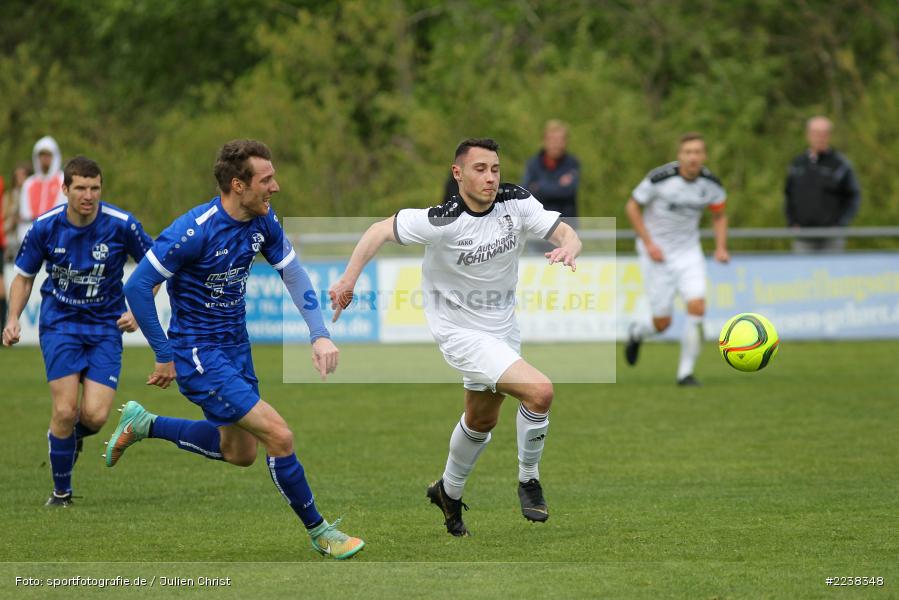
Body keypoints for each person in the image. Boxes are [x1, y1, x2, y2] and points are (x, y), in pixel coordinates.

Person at [109, 139, 364, 560]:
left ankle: (144, 424)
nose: (275, 187)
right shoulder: (193, 230)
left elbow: (294, 273)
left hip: (236, 348)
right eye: (266, 180)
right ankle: (322, 532)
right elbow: (137, 286)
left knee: (240, 452)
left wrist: (318, 333)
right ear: (237, 185)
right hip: (199, 353)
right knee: (279, 436)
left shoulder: (262, 221)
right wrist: (164, 353)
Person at [329, 138, 582, 536]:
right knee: (540, 392)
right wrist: (347, 279)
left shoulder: (515, 202)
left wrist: (570, 246)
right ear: (458, 173)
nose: (490, 177)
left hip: (503, 329)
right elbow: (378, 230)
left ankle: (448, 491)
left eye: (495, 169)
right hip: (460, 331)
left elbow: (565, 231)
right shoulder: (441, 218)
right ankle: (529, 479)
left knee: (481, 419)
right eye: (480, 169)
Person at [2, 156, 153, 507]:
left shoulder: (121, 225)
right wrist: (12, 319)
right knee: (66, 410)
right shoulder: (44, 227)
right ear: (65, 188)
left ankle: (66, 438)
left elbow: (154, 268)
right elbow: (23, 277)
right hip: (61, 326)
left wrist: (136, 310)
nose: (88, 195)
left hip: (105, 327)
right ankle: (61, 494)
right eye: (81, 188)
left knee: (96, 417)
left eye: (95, 188)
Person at [623, 132, 729, 386]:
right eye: (688, 152)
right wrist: (649, 243)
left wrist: (721, 247)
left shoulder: (711, 184)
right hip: (657, 254)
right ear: (679, 156)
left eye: (697, 152)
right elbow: (632, 207)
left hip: (689, 252)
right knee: (663, 323)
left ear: (704, 156)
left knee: (697, 306)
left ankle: (685, 373)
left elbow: (719, 215)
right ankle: (637, 332)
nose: (693, 157)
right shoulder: (660, 178)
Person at [784, 116, 861, 253]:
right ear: (808, 135)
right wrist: (792, 222)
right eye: (815, 133)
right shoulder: (798, 163)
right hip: (803, 237)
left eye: (823, 133)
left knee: (833, 274)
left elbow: (853, 197)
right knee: (802, 274)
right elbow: (788, 195)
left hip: (831, 238)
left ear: (829, 136)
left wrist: (840, 224)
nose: (819, 138)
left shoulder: (840, 164)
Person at [521, 119, 580, 224]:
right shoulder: (533, 164)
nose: (556, 144)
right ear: (545, 141)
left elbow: (567, 191)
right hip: (537, 226)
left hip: (566, 226)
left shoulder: (572, 163)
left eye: (560, 139)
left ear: (566, 142)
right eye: (552, 139)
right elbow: (526, 194)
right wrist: (558, 185)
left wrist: (538, 187)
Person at [19, 136, 67, 244]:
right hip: (32, 239)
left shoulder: (62, 180)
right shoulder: (29, 183)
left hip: (56, 238)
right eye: (42, 155)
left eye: (48, 155)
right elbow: (25, 215)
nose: (45, 158)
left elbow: (63, 211)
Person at [3, 163, 31, 262]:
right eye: (18, 175)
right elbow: (4, 220)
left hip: (29, 237)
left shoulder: (32, 193)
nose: (20, 178)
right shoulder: (9, 196)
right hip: (12, 241)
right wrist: (13, 220)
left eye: (23, 175)